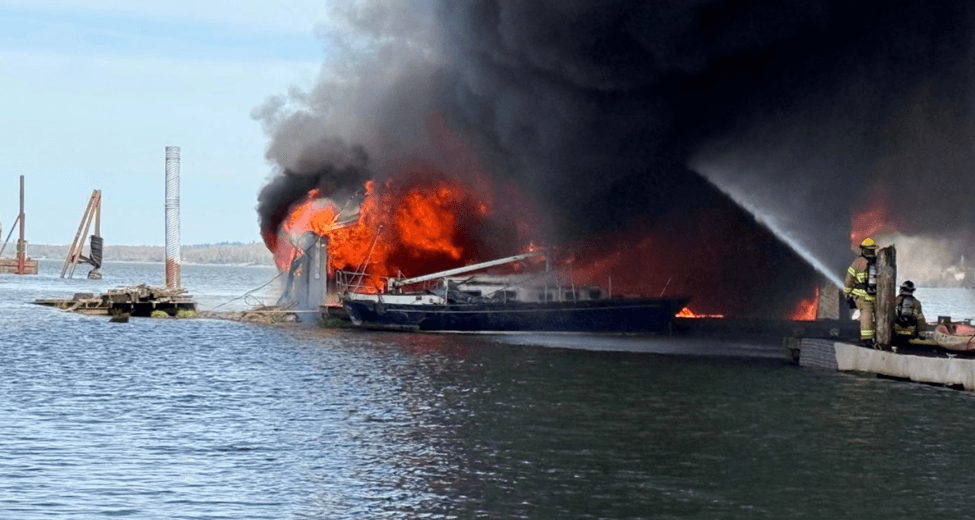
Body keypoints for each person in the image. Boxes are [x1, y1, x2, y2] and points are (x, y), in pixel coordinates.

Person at [844, 237, 879, 348]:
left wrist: (847, 292)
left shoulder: (858, 262)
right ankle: (879, 338)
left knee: (866, 315)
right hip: (877, 297)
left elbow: (849, 279)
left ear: (863, 249)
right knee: (878, 316)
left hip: (862, 296)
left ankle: (867, 339)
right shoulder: (879, 262)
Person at [892, 280, 926, 347]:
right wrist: (922, 337)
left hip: (896, 333)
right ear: (912, 290)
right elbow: (921, 321)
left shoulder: (895, 301)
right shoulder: (916, 303)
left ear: (902, 289)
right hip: (911, 334)